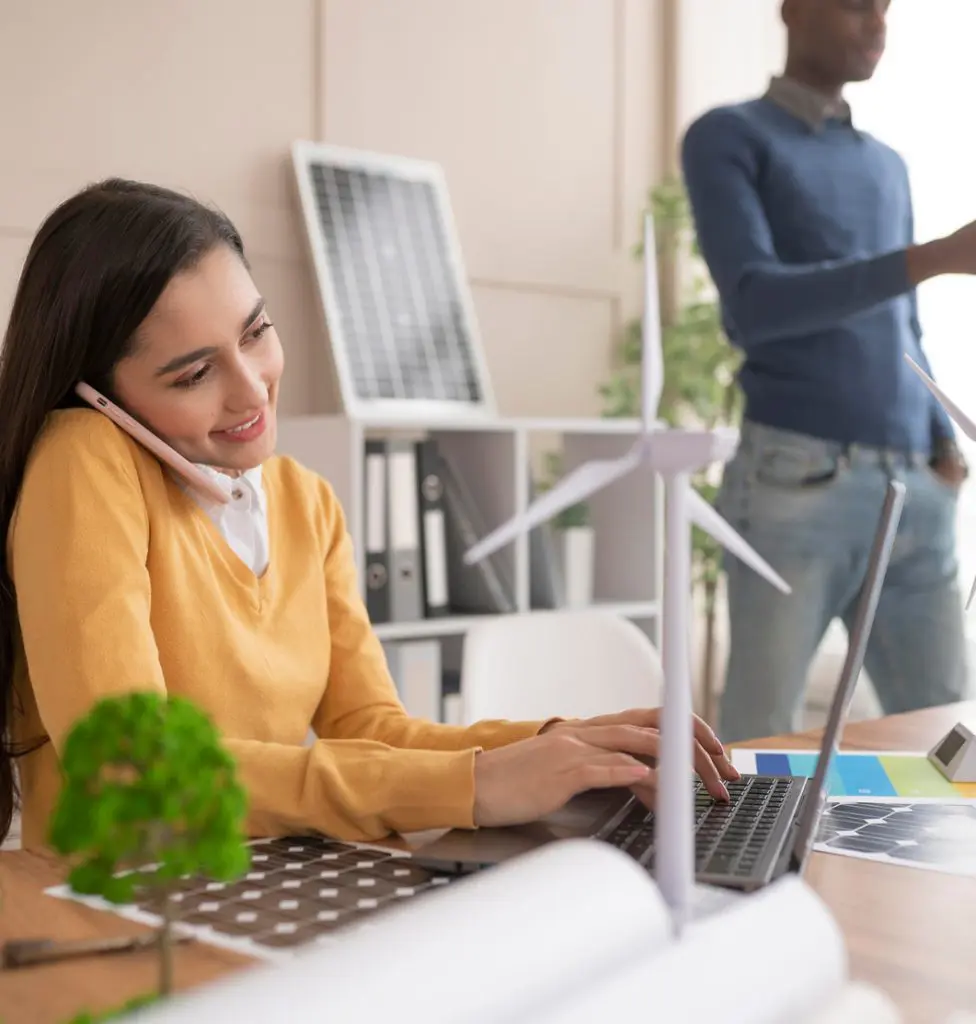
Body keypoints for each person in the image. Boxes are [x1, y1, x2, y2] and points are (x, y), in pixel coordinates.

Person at [0, 178, 738, 850]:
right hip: (121, 909)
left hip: (269, 876)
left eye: (255, 333)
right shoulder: (84, 456)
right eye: (195, 373)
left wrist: (564, 746)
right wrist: (473, 786)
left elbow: (367, 730)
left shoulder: (303, 500)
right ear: (100, 396)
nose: (252, 390)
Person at [680, 0, 976, 744]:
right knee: (760, 741)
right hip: (794, 484)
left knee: (950, 739)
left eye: (885, 9)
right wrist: (934, 256)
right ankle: (743, 869)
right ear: (793, 11)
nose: (877, 25)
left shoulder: (887, 165)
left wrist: (940, 436)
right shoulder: (730, 137)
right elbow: (755, 304)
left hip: (916, 485)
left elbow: (900, 319)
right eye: (855, 6)